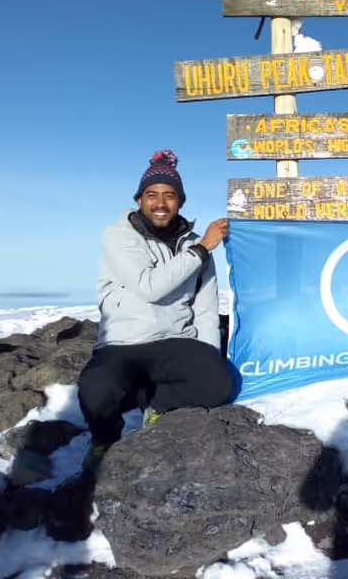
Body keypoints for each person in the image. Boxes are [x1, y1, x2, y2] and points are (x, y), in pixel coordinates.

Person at [78, 149, 235, 471]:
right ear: (139, 200)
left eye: (169, 195)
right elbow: (150, 287)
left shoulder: (193, 243)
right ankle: (103, 440)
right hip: (123, 343)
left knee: (220, 384)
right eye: (152, 195)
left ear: (180, 202)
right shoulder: (118, 236)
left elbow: (205, 306)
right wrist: (202, 248)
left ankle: (158, 407)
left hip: (176, 340)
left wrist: (205, 355)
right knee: (96, 390)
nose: (160, 203)